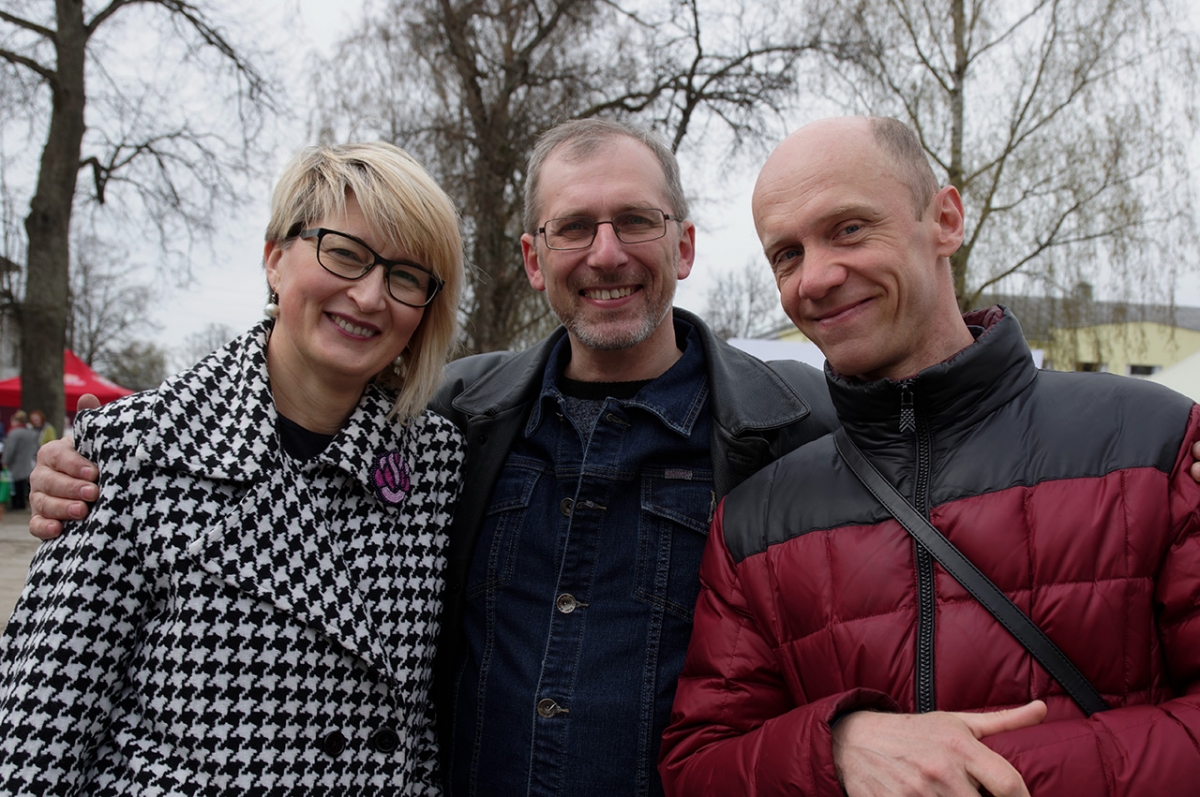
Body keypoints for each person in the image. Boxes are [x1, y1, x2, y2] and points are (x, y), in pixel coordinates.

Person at [28, 118, 841, 796]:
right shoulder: (458, 427)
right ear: (533, 260)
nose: (606, 253)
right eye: (572, 228)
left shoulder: (795, 425)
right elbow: (39, 735)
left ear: (684, 245)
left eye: (635, 221)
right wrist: (91, 460)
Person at [658, 116, 1200, 796]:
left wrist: (977, 774)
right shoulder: (753, 521)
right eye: (787, 254)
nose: (816, 278)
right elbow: (699, 768)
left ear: (945, 220)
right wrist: (837, 748)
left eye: (849, 228)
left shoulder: (1154, 442)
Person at [0, 142, 466, 794]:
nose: (369, 296)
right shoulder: (140, 447)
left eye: (406, 276)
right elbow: (39, 730)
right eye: (344, 254)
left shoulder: (437, 463)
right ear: (275, 258)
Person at [2, 411, 40, 511]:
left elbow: (10, 449)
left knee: (15, 483)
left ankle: (16, 504)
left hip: (16, 461)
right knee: (23, 483)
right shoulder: (30, 432)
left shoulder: (14, 433)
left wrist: (5, 460)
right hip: (27, 460)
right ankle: (22, 502)